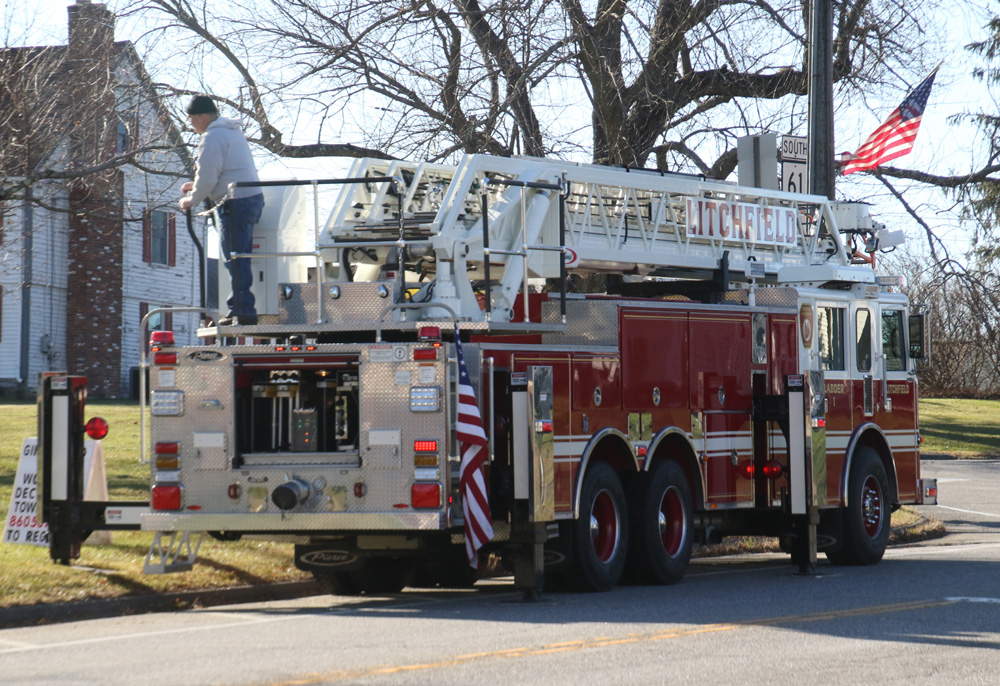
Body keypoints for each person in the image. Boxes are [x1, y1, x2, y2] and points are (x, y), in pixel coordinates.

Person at [179, 95, 264, 326]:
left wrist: (191, 200)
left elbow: (207, 177)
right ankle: (240, 307)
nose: (190, 124)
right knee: (240, 256)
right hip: (251, 198)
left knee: (235, 258)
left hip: (235, 203)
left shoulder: (212, 136)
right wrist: (197, 187)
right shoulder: (232, 132)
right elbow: (225, 172)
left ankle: (242, 311)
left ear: (200, 116)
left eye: (191, 118)